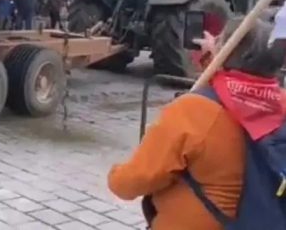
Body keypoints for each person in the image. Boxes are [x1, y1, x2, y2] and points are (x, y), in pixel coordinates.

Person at [108, 17, 286, 230]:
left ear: (228, 52)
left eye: (220, 41)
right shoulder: (280, 104)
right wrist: (215, 56)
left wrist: (115, 175)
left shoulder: (194, 111)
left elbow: (131, 183)